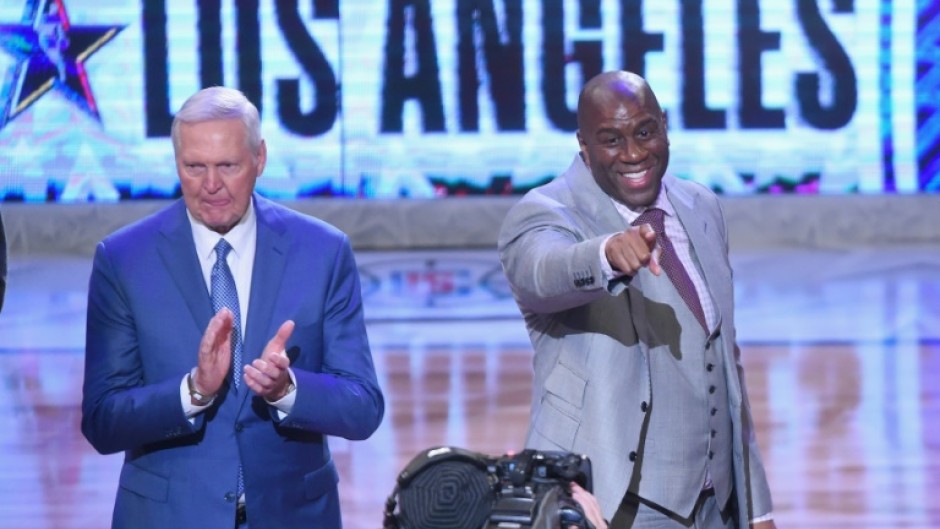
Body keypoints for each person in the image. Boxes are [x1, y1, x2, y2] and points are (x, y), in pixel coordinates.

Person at [81, 86, 385, 528]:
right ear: (176, 163)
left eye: (227, 166)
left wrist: (287, 390)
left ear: (259, 159)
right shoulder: (124, 260)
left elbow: (362, 408)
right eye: (194, 167)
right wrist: (193, 392)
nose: (210, 186)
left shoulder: (322, 252)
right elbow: (103, 421)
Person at [498, 71, 776, 529]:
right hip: (613, 506)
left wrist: (756, 506)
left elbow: (728, 370)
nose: (632, 153)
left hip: (717, 507)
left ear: (665, 125)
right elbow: (541, 272)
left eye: (645, 131)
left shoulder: (700, 206)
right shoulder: (544, 213)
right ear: (583, 145)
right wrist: (605, 254)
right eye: (610, 139)